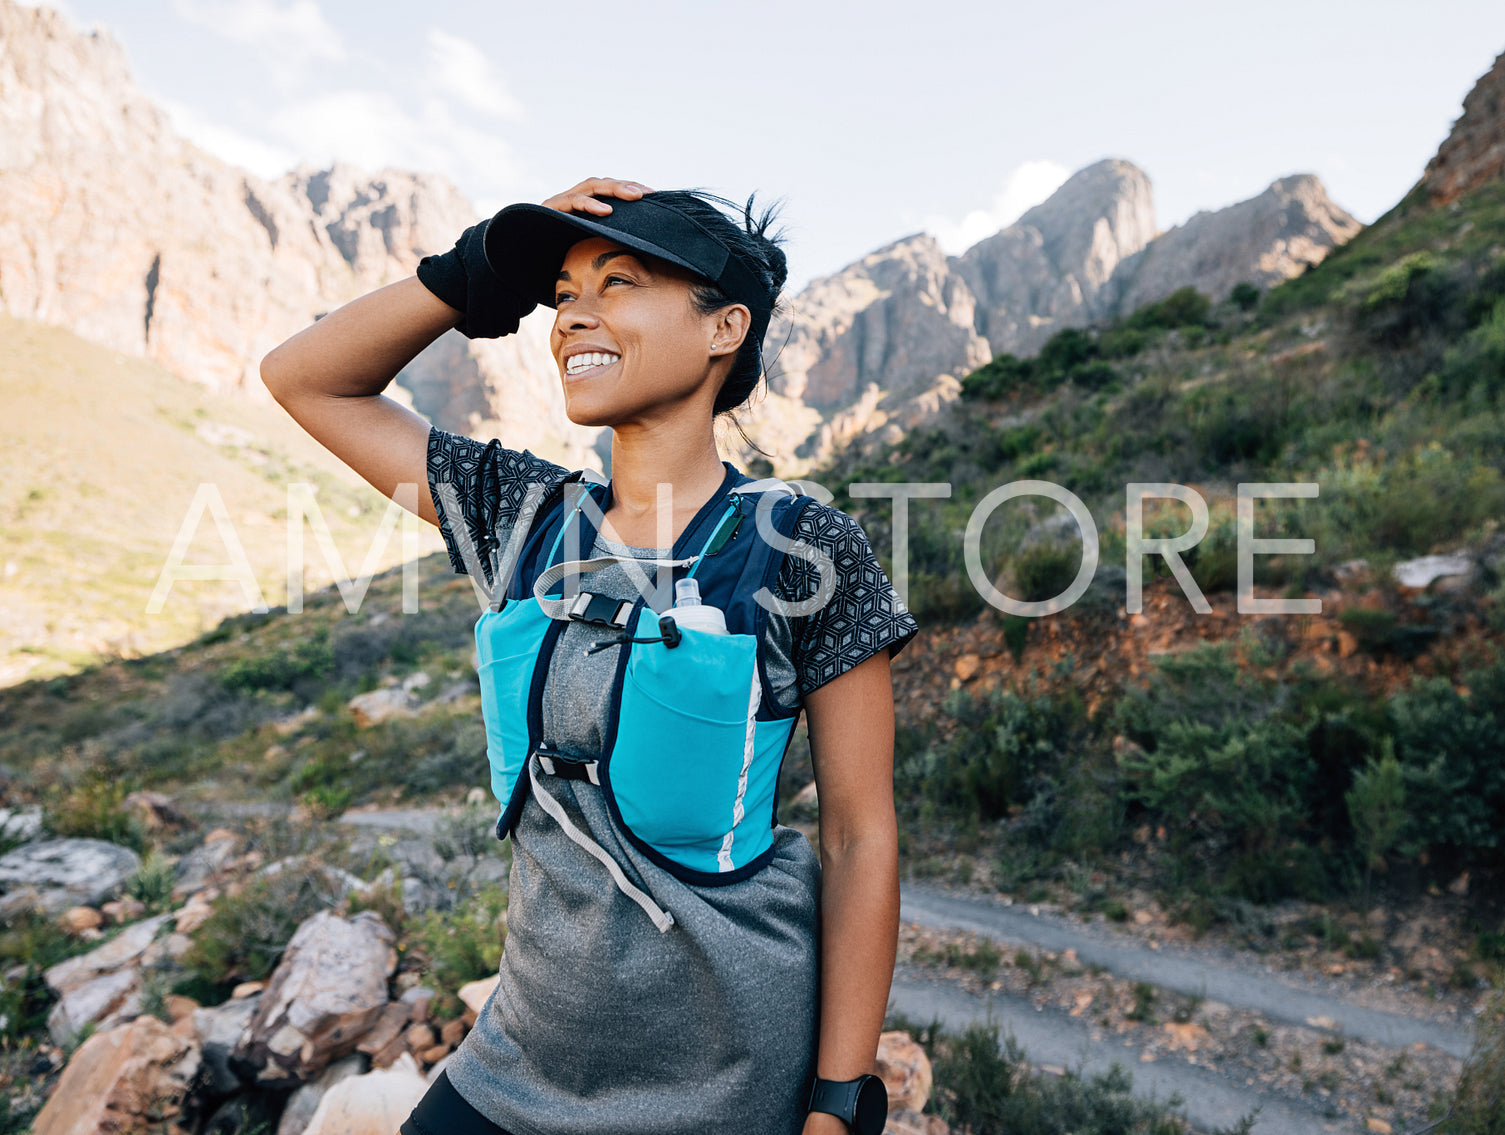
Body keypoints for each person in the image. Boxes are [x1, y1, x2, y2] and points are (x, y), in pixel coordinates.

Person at [259, 177, 917, 1135]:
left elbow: (860, 836)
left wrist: (837, 1100)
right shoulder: (518, 517)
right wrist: (480, 266)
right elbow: (303, 377)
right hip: (520, 1060)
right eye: (563, 294)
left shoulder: (801, 548)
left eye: (619, 283)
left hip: (727, 1085)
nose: (573, 317)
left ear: (725, 326)